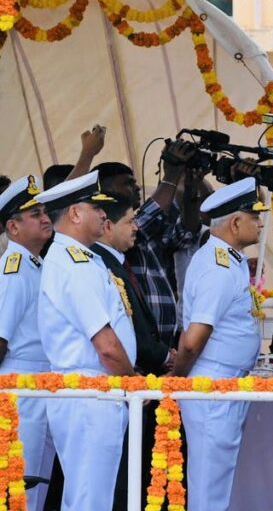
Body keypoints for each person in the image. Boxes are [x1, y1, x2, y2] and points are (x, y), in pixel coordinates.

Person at [36, 171, 137, 510]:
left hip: (96, 391)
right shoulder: (73, 263)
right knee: (89, 499)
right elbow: (106, 345)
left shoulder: (83, 257)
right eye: (97, 208)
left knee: (91, 496)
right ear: (75, 213)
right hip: (91, 393)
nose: (104, 214)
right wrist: (132, 383)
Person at [173, 177, 268, 511]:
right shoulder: (218, 266)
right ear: (235, 223)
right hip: (212, 383)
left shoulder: (229, 260)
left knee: (218, 479)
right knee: (209, 483)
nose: (260, 223)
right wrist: (176, 380)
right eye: (254, 216)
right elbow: (193, 340)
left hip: (224, 381)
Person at [91, 195, 175, 511]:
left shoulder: (113, 261)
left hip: (131, 378)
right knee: (112, 481)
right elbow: (127, 330)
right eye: (129, 220)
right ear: (108, 226)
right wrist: (164, 357)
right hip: (118, 381)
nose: (136, 227)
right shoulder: (102, 264)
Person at [98, 140, 199, 347]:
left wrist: (191, 187)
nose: (136, 188)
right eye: (127, 183)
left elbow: (185, 233)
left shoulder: (142, 225)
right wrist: (172, 173)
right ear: (105, 189)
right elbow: (146, 219)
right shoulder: (104, 228)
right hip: (138, 348)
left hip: (165, 346)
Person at [0, 175, 55, 511]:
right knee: (19, 485)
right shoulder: (14, 269)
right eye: (36, 214)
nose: (46, 218)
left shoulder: (36, 264)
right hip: (19, 387)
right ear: (13, 227)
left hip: (40, 383)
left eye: (45, 212)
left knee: (36, 483)